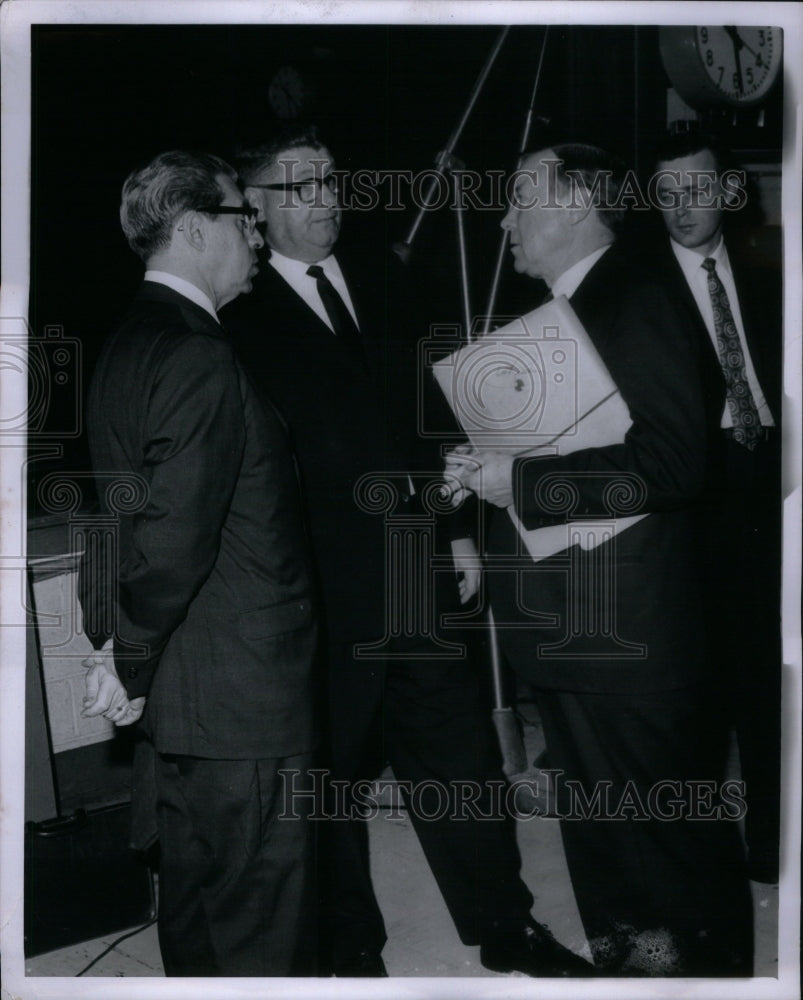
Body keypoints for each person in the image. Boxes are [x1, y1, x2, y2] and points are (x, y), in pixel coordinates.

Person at [221, 124, 592, 979]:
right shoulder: (237, 315)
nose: (328, 198)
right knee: (332, 775)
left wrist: (457, 531)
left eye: (332, 178)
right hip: (317, 588)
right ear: (257, 206)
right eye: (304, 184)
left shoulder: (385, 275)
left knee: (458, 752)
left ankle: (505, 923)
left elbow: (431, 412)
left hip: (415, 563)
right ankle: (352, 949)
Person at [446, 143, 754, 976]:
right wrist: (488, 473)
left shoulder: (635, 295)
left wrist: (525, 478)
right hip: (582, 641)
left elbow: (673, 463)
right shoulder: (567, 309)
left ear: (578, 202)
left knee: (664, 865)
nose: (504, 217)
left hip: (633, 643)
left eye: (518, 198)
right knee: (613, 861)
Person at [79, 150, 318, 976]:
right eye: (240, 217)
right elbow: (176, 533)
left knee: (196, 909)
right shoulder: (199, 355)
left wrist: (113, 639)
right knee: (259, 919)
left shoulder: (125, 344)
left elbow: (115, 517)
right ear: (190, 229)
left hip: (184, 696)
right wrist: (133, 656)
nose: (255, 234)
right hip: (238, 695)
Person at [651, 130, 783, 885]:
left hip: (774, 480)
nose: (682, 207)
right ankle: (700, 860)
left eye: (696, 189)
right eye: (666, 194)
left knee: (770, 680)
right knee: (698, 695)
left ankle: (770, 846)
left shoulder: (772, 268)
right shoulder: (637, 285)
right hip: (693, 500)